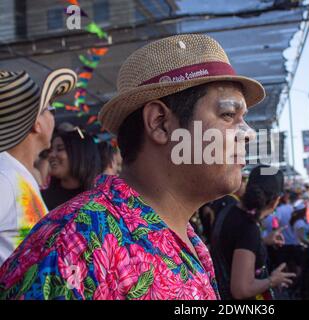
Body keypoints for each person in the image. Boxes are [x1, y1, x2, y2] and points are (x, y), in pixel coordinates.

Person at [0, 34, 265, 300]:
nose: (248, 133)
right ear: (160, 123)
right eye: (229, 115)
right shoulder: (78, 242)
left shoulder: (186, 236)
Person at [0, 69, 76, 265]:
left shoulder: (15, 173)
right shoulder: (5, 178)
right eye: (50, 110)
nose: (53, 117)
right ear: (36, 124)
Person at [211, 165, 296, 300]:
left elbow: (233, 245)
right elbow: (241, 289)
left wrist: (262, 241)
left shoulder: (229, 211)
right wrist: (273, 280)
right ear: (275, 201)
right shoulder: (249, 228)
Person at [42, 130, 102, 210]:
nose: (51, 155)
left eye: (60, 149)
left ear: (79, 154)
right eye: (51, 150)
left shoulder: (100, 200)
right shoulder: (42, 198)